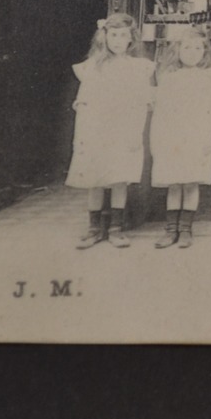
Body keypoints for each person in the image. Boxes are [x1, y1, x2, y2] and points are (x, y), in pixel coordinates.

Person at [66, 13, 156, 249]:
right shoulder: (93, 67)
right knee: (95, 179)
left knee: (119, 178)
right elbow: (84, 102)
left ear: (131, 40)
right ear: (104, 37)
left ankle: (116, 228)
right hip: (96, 129)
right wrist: (83, 135)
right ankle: (94, 229)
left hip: (123, 129)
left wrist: (135, 133)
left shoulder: (138, 68)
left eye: (123, 36)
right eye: (113, 35)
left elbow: (142, 104)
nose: (117, 41)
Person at [149, 33, 211, 249]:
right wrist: (157, 140)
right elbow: (161, 112)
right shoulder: (169, 77)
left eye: (197, 49)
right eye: (186, 48)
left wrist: (207, 138)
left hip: (196, 135)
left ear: (204, 52)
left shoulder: (209, 77)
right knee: (174, 183)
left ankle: (186, 230)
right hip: (172, 136)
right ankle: (170, 230)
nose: (192, 53)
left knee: (191, 182)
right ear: (177, 51)